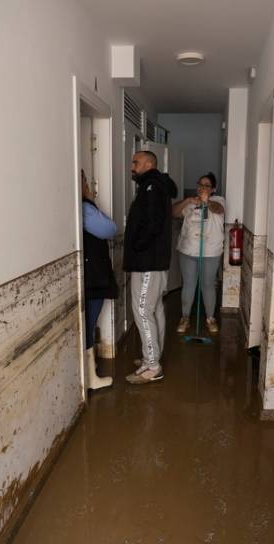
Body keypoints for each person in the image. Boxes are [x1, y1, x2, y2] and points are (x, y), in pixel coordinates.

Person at [122, 150, 178, 384]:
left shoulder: (152, 188)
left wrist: (136, 247)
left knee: (143, 311)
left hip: (147, 262)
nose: (132, 166)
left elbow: (152, 226)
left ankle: (152, 365)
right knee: (154, 309)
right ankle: (152, 355)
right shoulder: (154, 186)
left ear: (148, 163)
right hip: (153, 262)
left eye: (135, 162)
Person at [172, 172, 226, 334]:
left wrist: (206, 201)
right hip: (188, 249)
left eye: (206, 185)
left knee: (208, 284)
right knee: (189, 284)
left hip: (210, 251)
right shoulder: (190, 202)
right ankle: (185, 317)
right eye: (200, 184)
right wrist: (188, 200)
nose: (202, 187)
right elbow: (174, 213)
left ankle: (210, 318)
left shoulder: (218, 200)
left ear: (213, 189)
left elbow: (219, 209)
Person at [81, 170, 117, 390]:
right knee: (88, 325)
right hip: (92, 276)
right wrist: (91, 200)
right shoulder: (84, 208)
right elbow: (109, 229)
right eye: (85, 181)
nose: (88, 185)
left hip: (88, 275)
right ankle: (91, 378)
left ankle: (90, 376)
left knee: (86, 325)